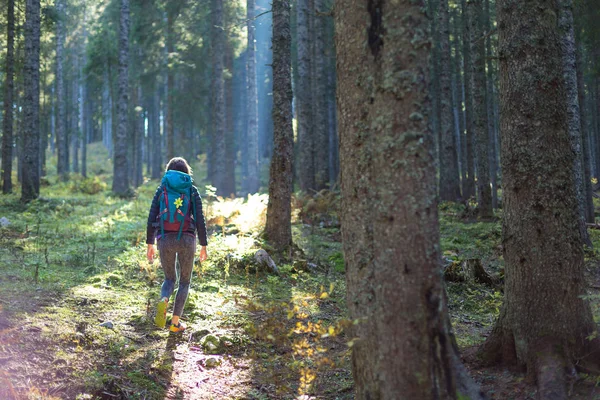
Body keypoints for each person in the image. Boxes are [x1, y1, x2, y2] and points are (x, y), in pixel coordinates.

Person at [146, 157, 208, 333]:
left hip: (164, 238)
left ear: (168, 171)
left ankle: (164, 299)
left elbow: (152, 217)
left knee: (169, 279)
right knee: (185, 281)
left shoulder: (162, 190)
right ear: (187, 172)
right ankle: (175, 323)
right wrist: (204, 245)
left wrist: (150, 243)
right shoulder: (192, 190)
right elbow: (200, 220)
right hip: (187, 239)